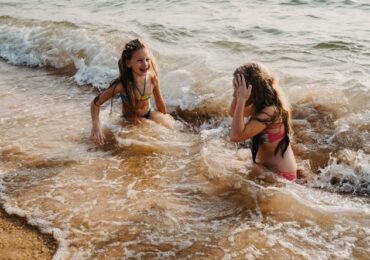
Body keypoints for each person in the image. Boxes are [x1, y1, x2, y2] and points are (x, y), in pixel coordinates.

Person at [90, 38, 175, 145]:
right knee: (153, 129)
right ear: (129, 63)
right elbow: (95, 103)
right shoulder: (122, 85)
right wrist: (96, 126)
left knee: (170, 127)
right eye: (140, 60)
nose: (145, 64)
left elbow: (158, 100)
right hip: (130, 118)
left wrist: (164, 116)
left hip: (149, 112)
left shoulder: (152, 79)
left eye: (147, 59)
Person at [229, 62, 297, 181]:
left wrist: (241, 99)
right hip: (271, 169)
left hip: (281, 176)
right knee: (236, 157)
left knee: (224, 164)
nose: (238, 89)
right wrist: (236, 95)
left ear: (252, 88)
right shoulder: (264, 103)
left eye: (240, 86)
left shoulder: (271, 111)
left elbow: (236, 136)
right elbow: (234, 114)